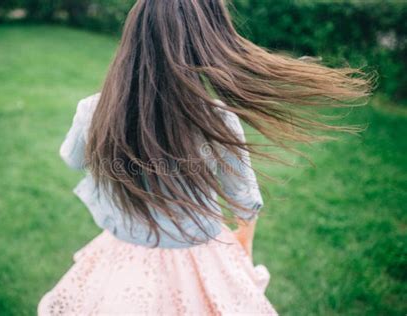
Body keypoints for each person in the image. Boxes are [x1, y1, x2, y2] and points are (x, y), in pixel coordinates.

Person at [38, 0, 372, 314]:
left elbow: (73, 159)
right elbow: (245, 202)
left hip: (124, 256)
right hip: (200, 262)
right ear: (205, 44)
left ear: (133, 39)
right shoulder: (218, 120)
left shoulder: (95, 110)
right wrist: (243, 250)